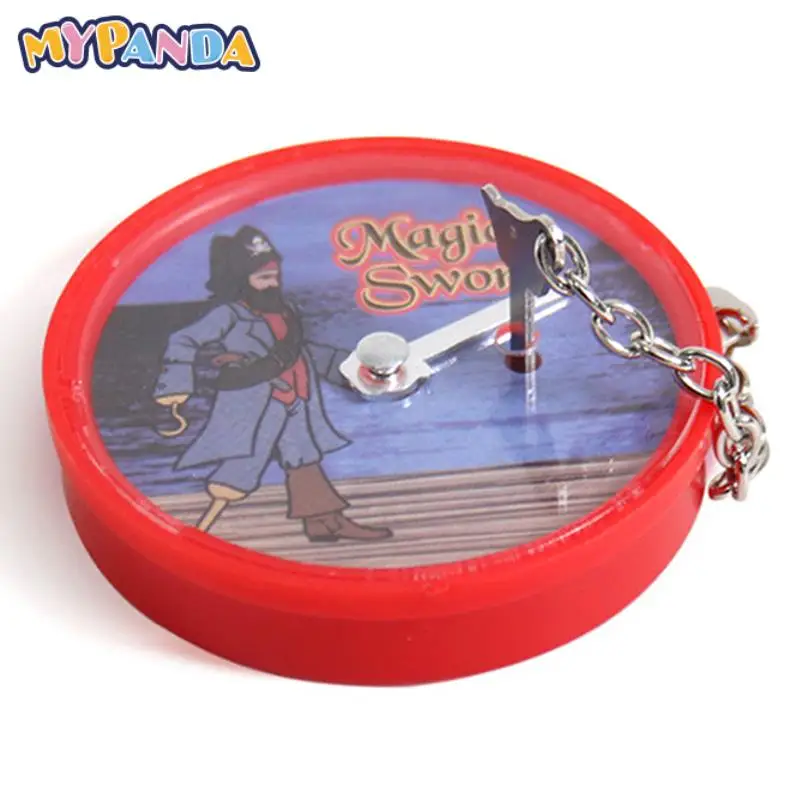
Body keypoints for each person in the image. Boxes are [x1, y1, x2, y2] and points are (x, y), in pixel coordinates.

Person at [153, 224, 393, 543]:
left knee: (302, 458)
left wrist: (351, 369)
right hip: (257, 401)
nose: (273, 283)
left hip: (296, 399)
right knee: (241, 468)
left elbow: (302, 352)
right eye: (263, 277)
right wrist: (176, 386)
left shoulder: (285, 311)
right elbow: (183, 339)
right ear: (242, 280)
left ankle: (324, 523)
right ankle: (193, 537)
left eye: (275, 276)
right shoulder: (229, 315)